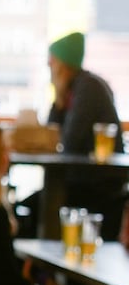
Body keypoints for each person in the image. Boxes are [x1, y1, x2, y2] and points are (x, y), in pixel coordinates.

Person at [46, 31, 124, 234]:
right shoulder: (72, 89)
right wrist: (58, 98)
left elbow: (70, 140)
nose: (48, 65)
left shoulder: (88, 87)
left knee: (44, 206)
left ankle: (41, 263)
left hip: (98, 183)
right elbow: (51, 135)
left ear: (63, 63)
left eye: (52, 60)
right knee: (39, 203)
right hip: (83, 179)